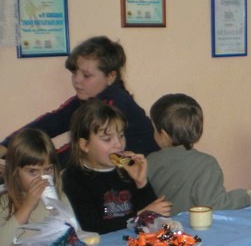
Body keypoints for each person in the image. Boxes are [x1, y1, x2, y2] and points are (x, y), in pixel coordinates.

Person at [1, 36, 158, 166]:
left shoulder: (113, 105)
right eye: (75, 72)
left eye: (86, 75)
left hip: (139, 168)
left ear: (110, 76)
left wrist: (33, 165)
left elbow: (82, 149)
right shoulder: (86, 100)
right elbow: (51, 122)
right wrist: (8, 145)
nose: (77, 80)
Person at [62, 99, 170, 234]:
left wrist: (142, 183)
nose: (118, 145)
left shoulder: (126, 169)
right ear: (85, 145)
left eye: (121, 136)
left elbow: (158, 217)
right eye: (107, 139)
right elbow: (93, 228)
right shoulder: (74, 177)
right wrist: (141, 215)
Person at [146, 93, 249, 213]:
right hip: (192, 225)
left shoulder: (150, 161)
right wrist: (246, 195)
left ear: (163, 135)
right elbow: (214, 204)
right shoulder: (207, 164)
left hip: (158, 224)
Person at [0, 129, 74, 246]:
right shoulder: (4, 203)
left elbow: (75, 236)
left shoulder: (60, 197)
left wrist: (60, 215)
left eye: (47, 170)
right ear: (15, 172)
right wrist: (27, 206)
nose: (42, 178)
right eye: (33, 172)